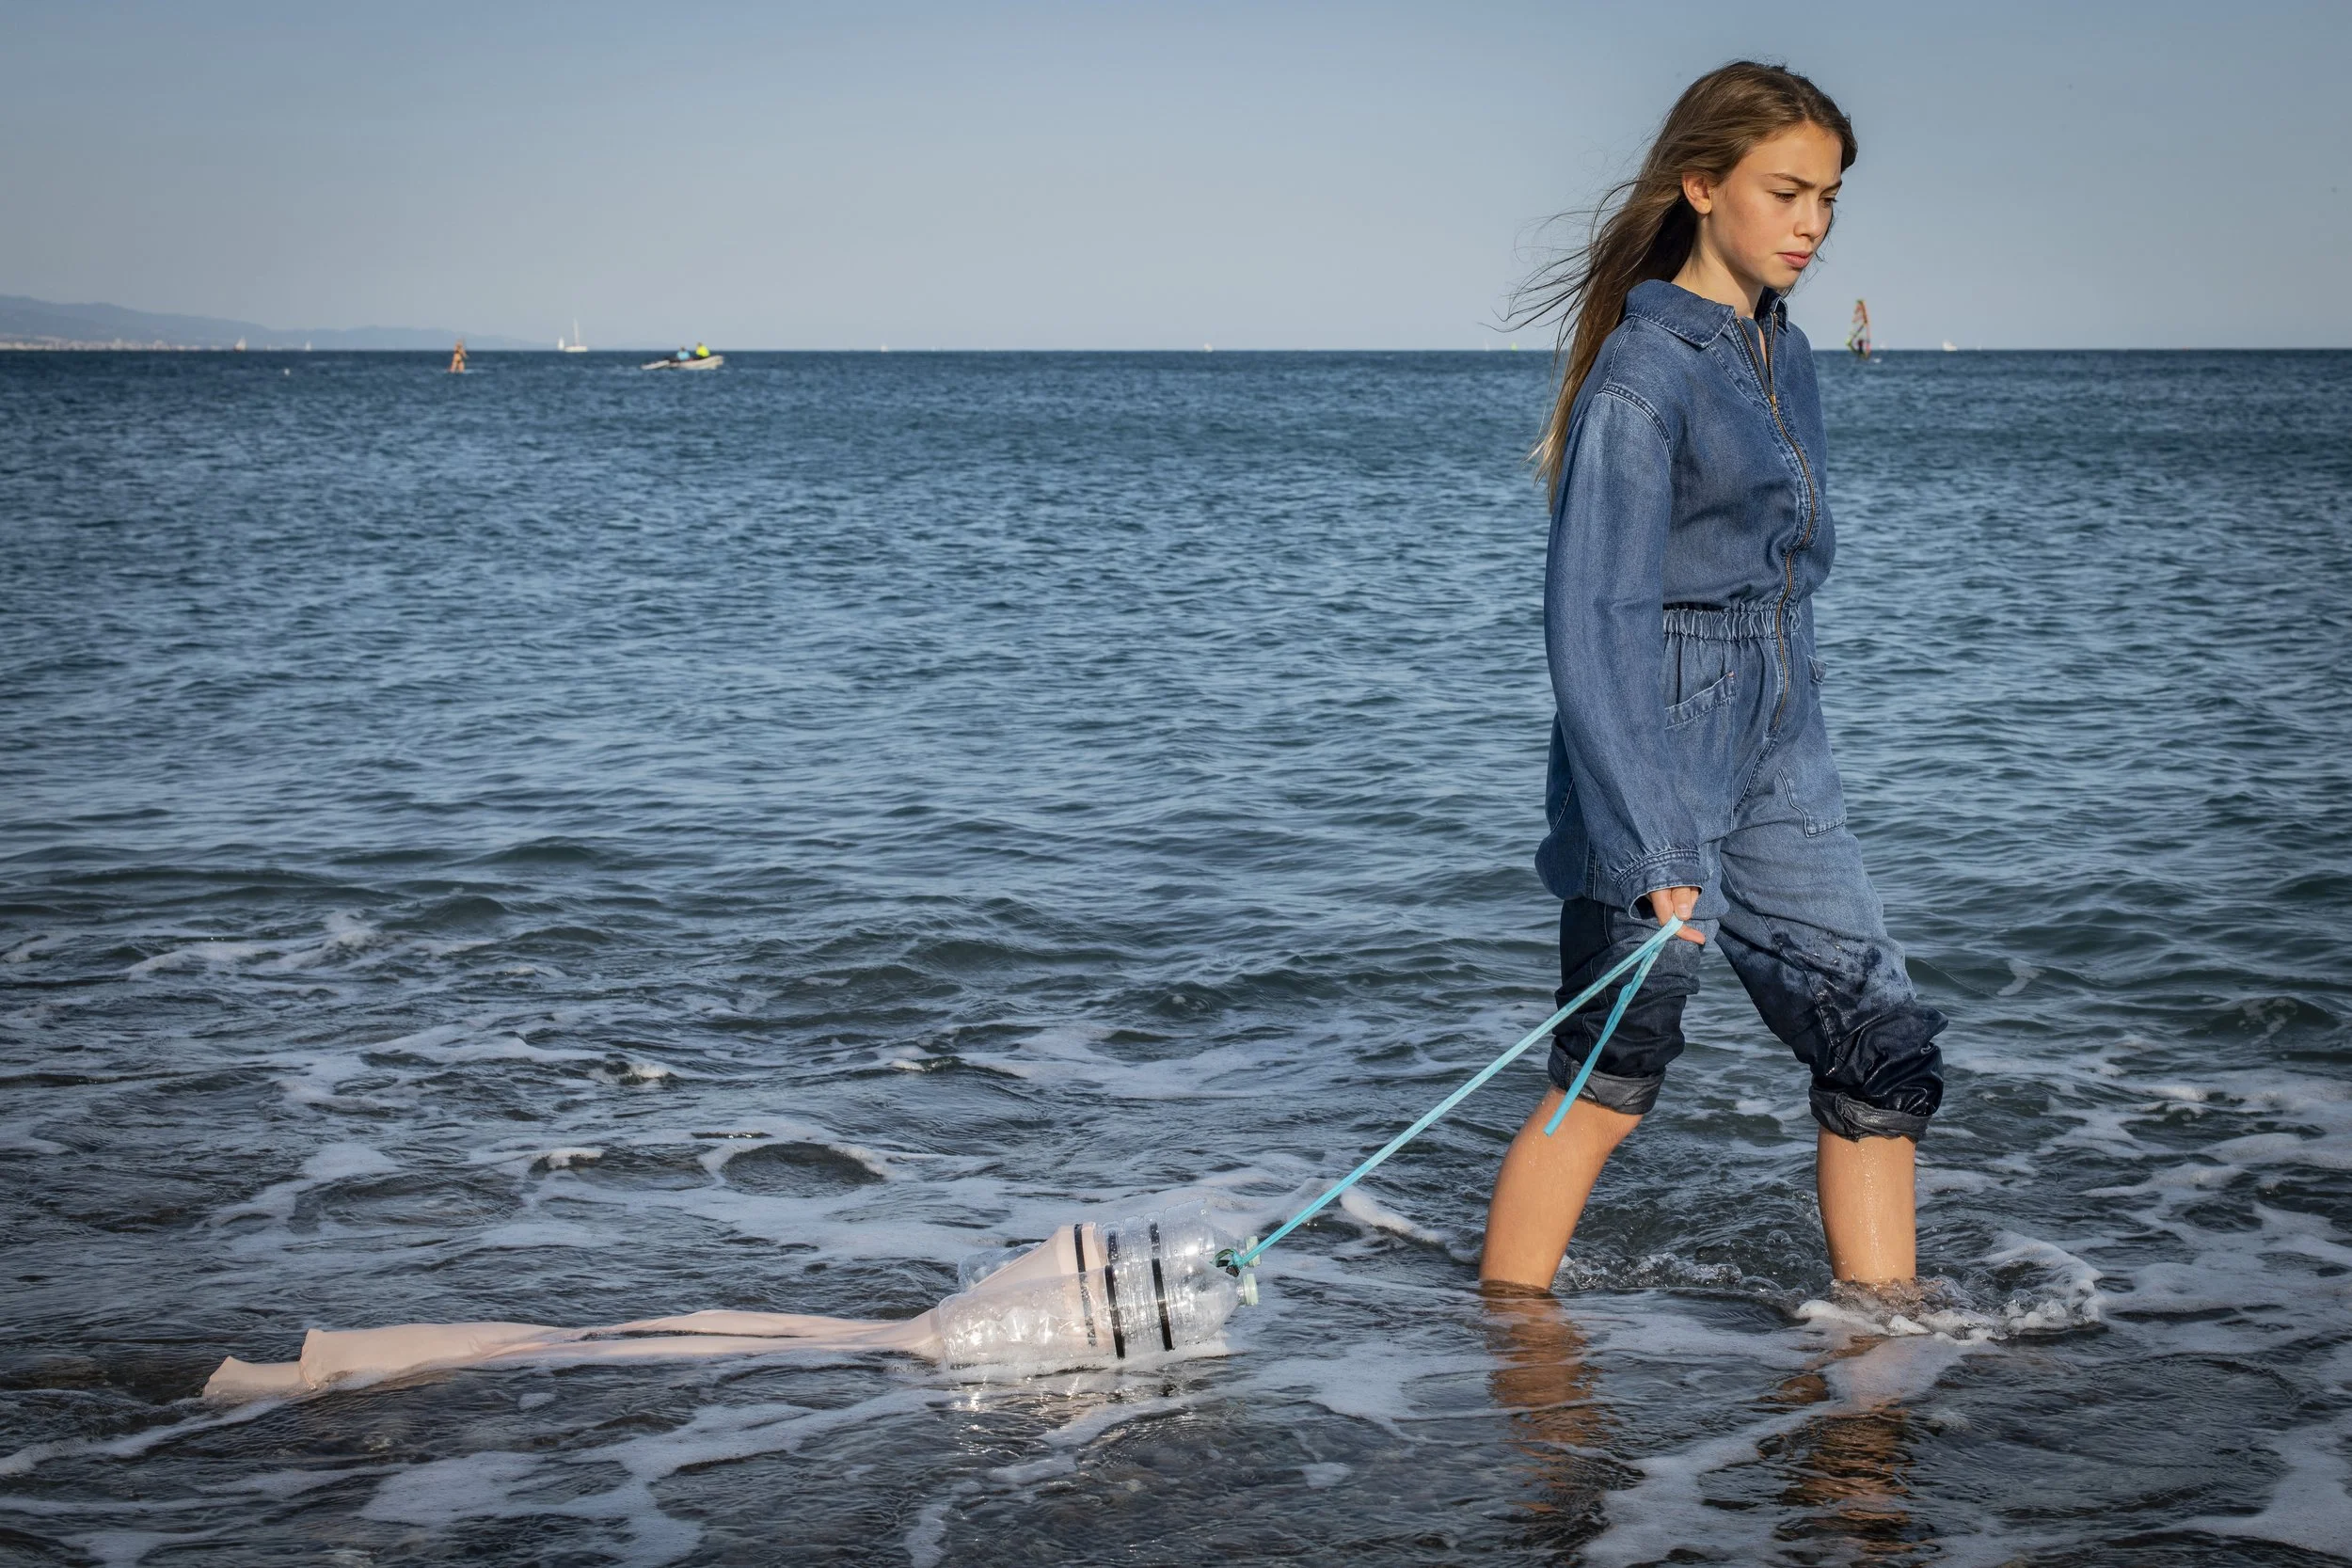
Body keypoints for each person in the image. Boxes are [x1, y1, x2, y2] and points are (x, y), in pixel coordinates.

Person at [1480, 62, 1947, 1294]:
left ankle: (1882, 1343)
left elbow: (1783, 582)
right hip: (1657, 746)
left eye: (1829, 199)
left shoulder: (1783, 356)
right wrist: (1647, 842)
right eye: (1786, 192)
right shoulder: (1645, 380)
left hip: (1783, 742)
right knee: (1613, 1068)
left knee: (1879, 1045)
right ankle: (1512, 1340)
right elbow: (1592, 619)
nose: (1812, 223)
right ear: (1702, 186)